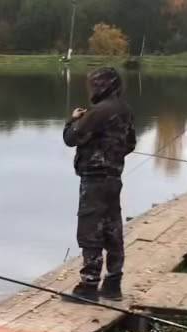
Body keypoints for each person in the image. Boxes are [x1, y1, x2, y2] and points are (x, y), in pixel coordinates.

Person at [62, 67, 136, 301]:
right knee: (113, 228)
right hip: (114, 178)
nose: (92, 89)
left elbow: (71, 138)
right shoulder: (125, 110)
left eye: (95, 84)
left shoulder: (98, 112)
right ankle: (113, 284)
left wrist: (72, 120)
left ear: (103, 86)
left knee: (90, 229)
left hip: (94, 179)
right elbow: (131, 143)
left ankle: (89, 287)